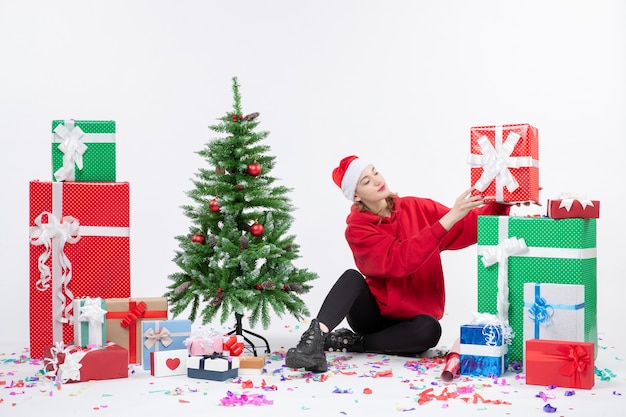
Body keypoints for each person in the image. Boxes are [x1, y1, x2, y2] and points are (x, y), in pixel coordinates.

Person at [284, 155, 511, 373]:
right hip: (374, 317)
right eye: (366, 181)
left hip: (412, 322)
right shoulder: (357, 230)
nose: (377, 181)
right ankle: (313, 340)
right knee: (352, 277)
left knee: (430, 330)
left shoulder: (416, 207)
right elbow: (400, 261)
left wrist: (501, 203)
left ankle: (356, 343)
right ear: (356, 196)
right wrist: (449, 218)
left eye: (375, 172)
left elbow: (468, 227)